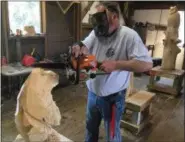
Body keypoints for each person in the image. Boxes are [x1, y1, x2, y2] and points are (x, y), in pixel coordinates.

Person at [72, 2, 153, 142]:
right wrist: (78, 48)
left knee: (112, 134)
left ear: (114, 16)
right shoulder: (97, 31)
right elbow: (85, 45)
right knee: (90, 129)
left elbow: (147, 64)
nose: (99, 23)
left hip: (113, 98)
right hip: (92, 94)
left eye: (102, 18)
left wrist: (116, 65)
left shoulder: (129, 36)